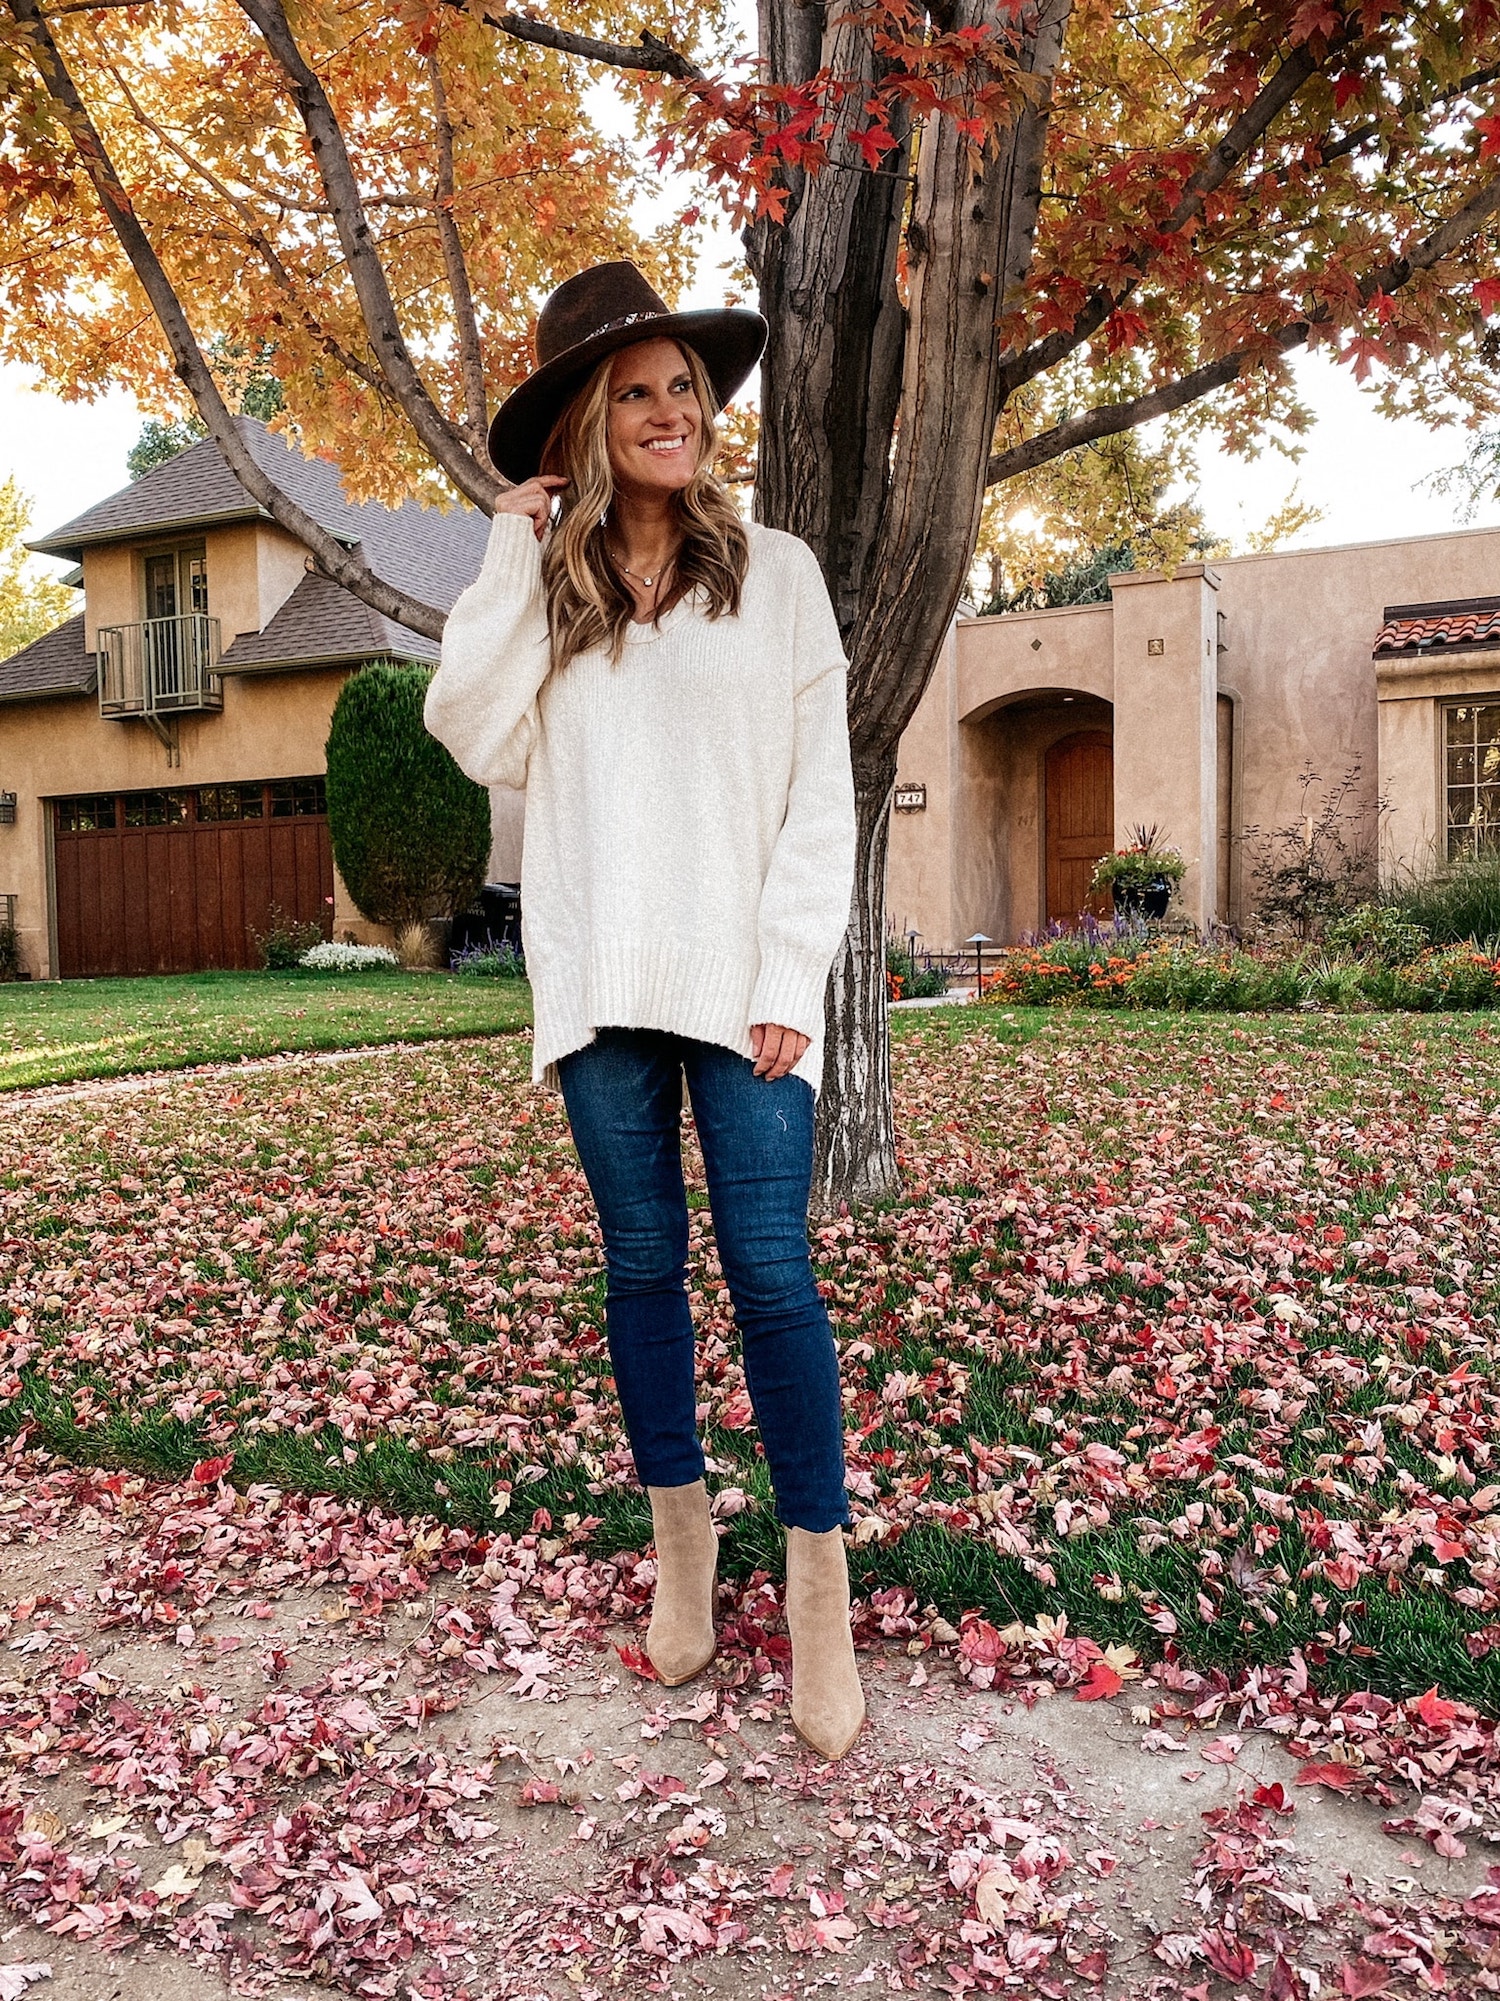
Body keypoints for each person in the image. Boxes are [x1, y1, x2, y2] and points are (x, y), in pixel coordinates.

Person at [424, 262, 863, 1759]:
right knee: (643, 1267)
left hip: (745, 993)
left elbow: (825, 799)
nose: (672, 412)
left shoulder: (781, 575)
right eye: (637, 394)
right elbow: (468, 728)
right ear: (589, 426)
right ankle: (686, 1549)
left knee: (772, 1270)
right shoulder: (546, 596)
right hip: (600, 984)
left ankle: (817, 1584)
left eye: (685, 387)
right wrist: (506, 550)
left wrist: (789, 969)